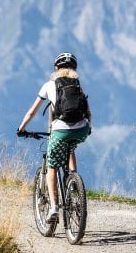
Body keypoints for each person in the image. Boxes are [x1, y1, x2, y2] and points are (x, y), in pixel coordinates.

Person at [17, 52, 91, 223]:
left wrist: (21, 128)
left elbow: (32, 111)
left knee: (52, 167)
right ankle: (74, 181)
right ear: (74, 69)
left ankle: (54, 208)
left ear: (56, 68)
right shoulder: (79, 85)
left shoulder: (49, 85)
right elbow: (88, 112)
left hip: (60, 130)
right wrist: (88, 128)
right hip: (82, 129)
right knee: (70, 147)